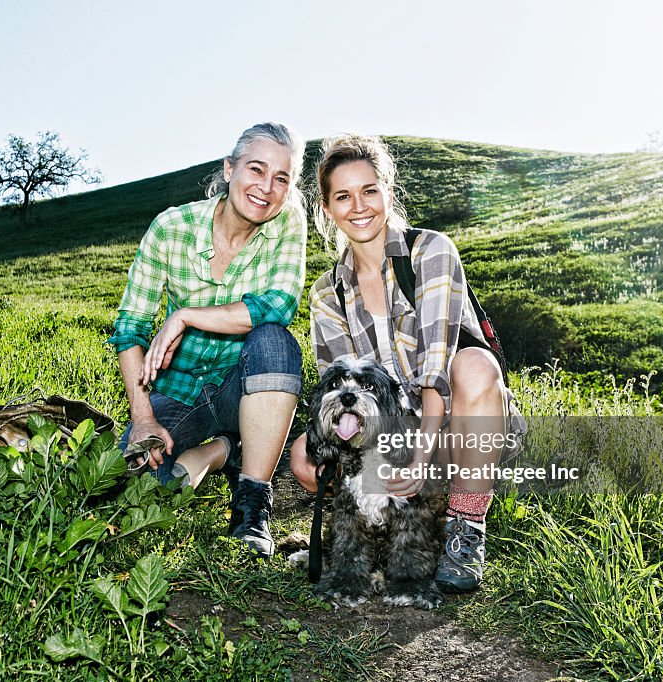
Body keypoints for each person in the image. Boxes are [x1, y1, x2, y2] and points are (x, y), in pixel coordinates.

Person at [289, 134, 526, 592]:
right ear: (327, 207)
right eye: (343, 196)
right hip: (388, 432)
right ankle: (373, 526)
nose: (359, 207)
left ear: (388, 194)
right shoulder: (326, 292)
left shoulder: (431, 251)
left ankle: (465, 528)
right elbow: (342, 391)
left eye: (369, 191)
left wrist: (419, 457)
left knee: (473, 365)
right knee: (303, 459)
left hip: (456, 425)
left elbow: (435, 373)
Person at [108, 122, 307, 559]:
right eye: (256, 169)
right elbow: (131, 328)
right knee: (132, 487)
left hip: (245, 387)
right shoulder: (170, 229)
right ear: (229, 168)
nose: (267, 187)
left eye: (281, 179)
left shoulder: (287, 223)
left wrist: (185, 315)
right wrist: (142, 418)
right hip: (181, 391)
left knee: (275, 341)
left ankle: (252, 504)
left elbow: (278, 305)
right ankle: (221, 451)